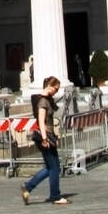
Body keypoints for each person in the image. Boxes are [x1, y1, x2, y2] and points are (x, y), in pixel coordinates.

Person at [20, 76, 68, 205]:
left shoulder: (46, 100)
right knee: (54, 168)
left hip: (47, 134)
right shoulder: (42, 102)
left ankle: (28, 186)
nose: (56, 92)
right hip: (44, 135)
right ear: (49, 86)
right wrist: (45, 139)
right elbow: (41, 121)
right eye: (55, 89)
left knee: (51, 167)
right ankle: (55, 195)